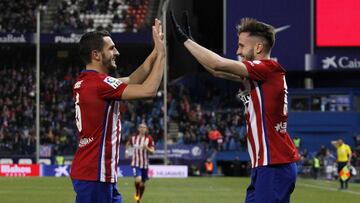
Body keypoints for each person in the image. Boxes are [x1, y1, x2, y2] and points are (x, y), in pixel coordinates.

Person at [171, 12, 300, 203]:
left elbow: (218, 63)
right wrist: (191, 42)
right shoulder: (261, 74)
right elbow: (215, 70)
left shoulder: (267, 69)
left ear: (258, 47)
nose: (237, 51)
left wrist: (184, 41)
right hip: (267, 165)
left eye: (241, 45)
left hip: (274, 164)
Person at [70, 18, 165, 203]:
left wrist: (154, 52)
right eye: (111, 48)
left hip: (94, 173)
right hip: (95, 174)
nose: (117, 52)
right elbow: (149, 90)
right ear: (96, 55)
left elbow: (133, 79)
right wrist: (162, 55)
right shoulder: (100, 84)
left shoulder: (86, 81)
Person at [125, 123, 155, 203]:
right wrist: (127, 152)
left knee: (142, 184)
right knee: (138, 180)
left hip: (144, 165)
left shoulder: (149, 139)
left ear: (146, 129)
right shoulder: (134, 138)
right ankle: (137, 193)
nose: (142, 129)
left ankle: (138, 199)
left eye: (144, 127)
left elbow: (152, 151)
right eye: (141, 127)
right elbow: (127, 144)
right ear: (138, 129)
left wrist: (147, 148)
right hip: (135, 163)